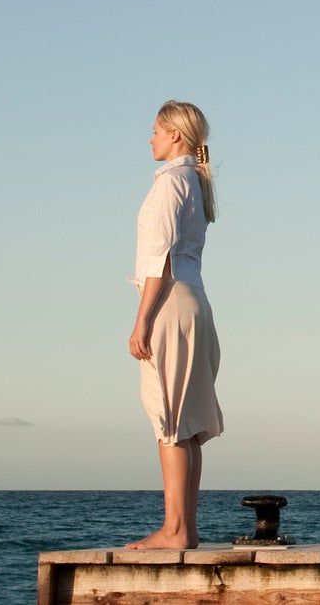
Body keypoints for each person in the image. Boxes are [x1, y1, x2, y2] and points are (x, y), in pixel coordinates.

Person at [124, 100, 224, 550]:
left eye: (156, 131)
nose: (150, 138)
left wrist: (141, 320)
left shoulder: (171, 183)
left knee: (169, 419)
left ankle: (174, 530)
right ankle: (185, 528)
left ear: (176, 136)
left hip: (170, 301)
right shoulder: (194, 183)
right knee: (188, 424)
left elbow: (159, 261)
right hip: (194, 301)